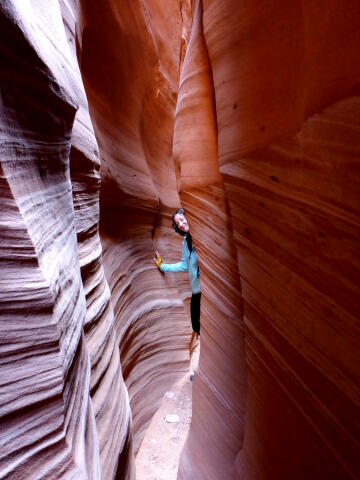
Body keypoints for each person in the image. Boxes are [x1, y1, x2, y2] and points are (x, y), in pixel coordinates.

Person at [154, 208, 201, 335]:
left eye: (181, 219)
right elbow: (184, 265)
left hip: (206, 290)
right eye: (178, 223)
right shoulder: (186, 242)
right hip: (196, 290)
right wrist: (163, 266)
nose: (180, 224)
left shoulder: (201, 238)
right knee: (196, 325)